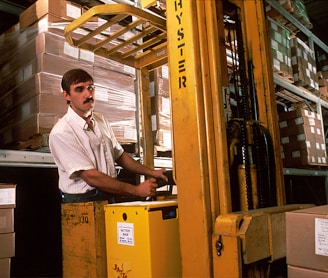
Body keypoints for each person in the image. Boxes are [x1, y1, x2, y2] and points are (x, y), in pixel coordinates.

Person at [49, 68, 167, 203]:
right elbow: (91, 176)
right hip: (83, 201)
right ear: (66, 95)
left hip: (109, 193)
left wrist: (152, 173)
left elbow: (120, 155)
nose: (88, 94)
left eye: (91, 88)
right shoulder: (62, 132)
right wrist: (136, 190)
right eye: (79, 89)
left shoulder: (101, 120)